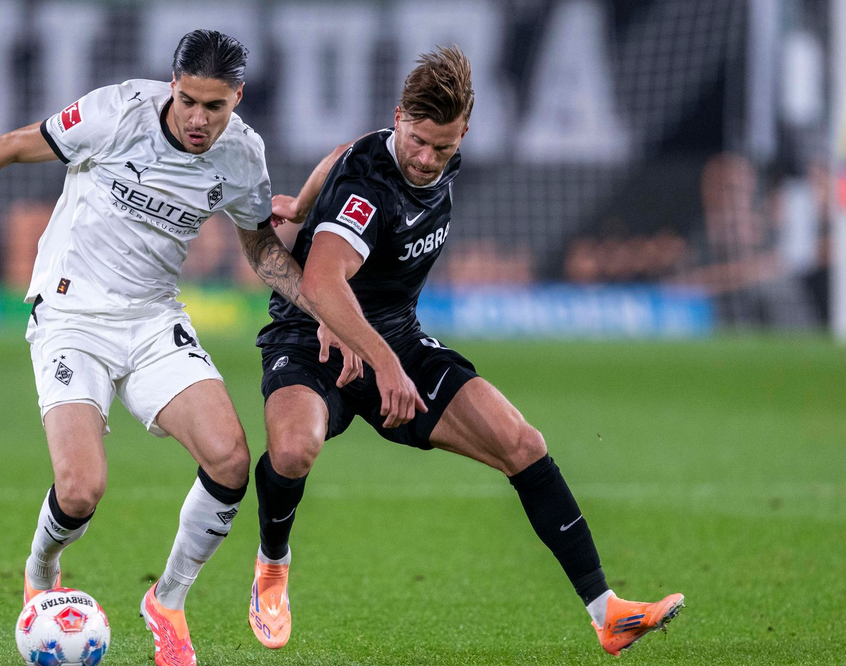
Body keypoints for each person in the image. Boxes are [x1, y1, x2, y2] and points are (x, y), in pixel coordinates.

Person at [0, 30, 316, 666]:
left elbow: (258, 247)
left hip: (152, 318)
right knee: (82, 488)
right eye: (190, 101)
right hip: (69, 311)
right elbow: (9, 146)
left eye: (215, 107)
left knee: (229, 460)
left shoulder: (243, 156)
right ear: (173, 85)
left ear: (237, 99)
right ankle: (41, 571)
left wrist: (327, 313)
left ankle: (167, 602)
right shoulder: (116, 112)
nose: (199, 119)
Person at [249, 46, 685, 657]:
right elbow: (322, 282)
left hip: (394, 335)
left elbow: (347, 148)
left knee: (522, 444)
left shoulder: (415, 148)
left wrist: (299, 202)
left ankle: (606, 612)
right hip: (312, 333)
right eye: (418, 142)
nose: (427, 160)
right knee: (294, 449)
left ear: (464, 134)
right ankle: (272, 564)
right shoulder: (368, 188)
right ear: (400, 117)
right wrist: (383, 361)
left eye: (443, 148)